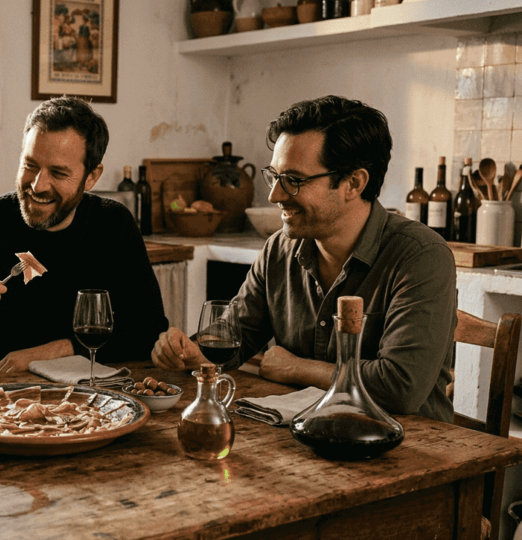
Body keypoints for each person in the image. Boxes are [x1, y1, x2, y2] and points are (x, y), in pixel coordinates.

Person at [152, 95, 456, 423]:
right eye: (274, 176)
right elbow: (234, 337)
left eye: (294, 181)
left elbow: (401, 387)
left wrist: (296, 368)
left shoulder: (421, 257)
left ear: (353, 183)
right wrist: (192, 353)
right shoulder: (278, 249)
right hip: (303, 436)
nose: (274, 195)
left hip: (408, 447)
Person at [0, 96, 169, 380]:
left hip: (86, 402)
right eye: (30, 165)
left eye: (58, 172)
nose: (37, 185)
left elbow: (149, 329)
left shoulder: (114, 224)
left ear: (91, 177)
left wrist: (51, 353)